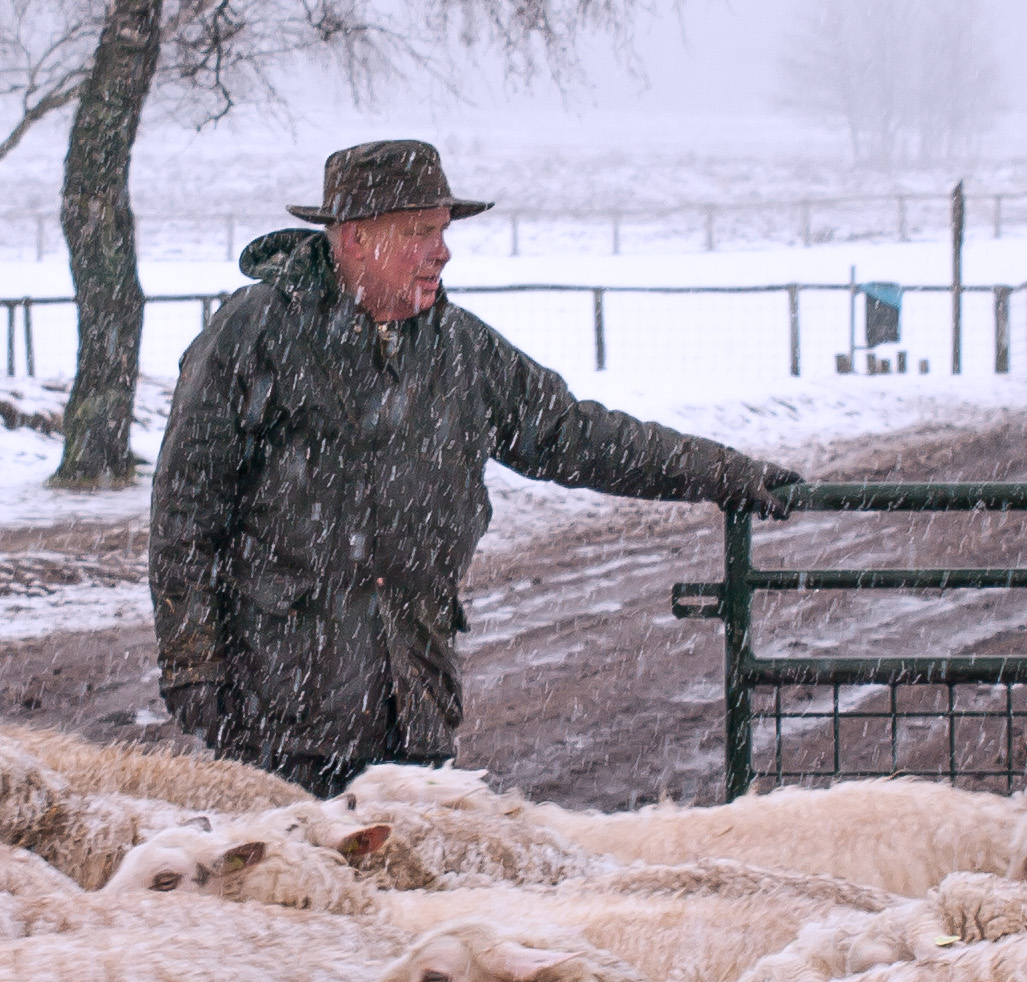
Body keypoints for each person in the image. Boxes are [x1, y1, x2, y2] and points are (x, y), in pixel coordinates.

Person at [149, 139, 803, 795]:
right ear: (352, 239)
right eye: (418, 232)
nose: (442, 250)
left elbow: (575, 433)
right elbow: (186, 507)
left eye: (442, 230)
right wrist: (191, 660)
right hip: (279, 712)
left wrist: (719, 471)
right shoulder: (255, 332)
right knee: (284, 892)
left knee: (416, 893)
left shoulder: (458, 349)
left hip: (412, 710)